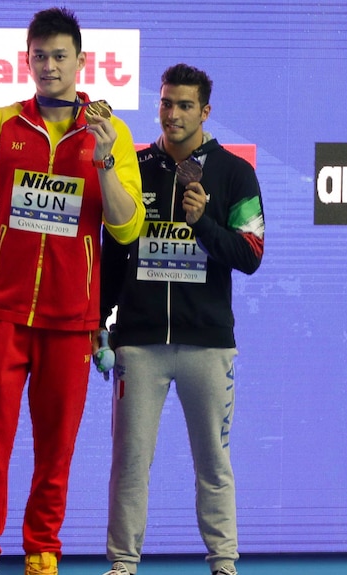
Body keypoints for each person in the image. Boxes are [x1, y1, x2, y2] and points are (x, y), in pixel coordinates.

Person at [0, 7, 145, 575]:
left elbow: (127, 227)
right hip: (1, 317)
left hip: (72, 322)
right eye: (40, 56)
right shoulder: (2, 124)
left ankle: (42, 552)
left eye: (60, 56)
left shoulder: (111, 133)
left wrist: (104, 158)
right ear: (27, 60)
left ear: (81, 61)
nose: (49, 66)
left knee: (55, 454)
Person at [98, 63, 265, 575]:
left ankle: (223, 563)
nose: (173, 114)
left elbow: (252, 253)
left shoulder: (235, 172)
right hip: (140, 344)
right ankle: (123, 565)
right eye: (167, 103)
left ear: (205, 111)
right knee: (130, 463)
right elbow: (114, 250)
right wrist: (98, 320)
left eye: (185, 105)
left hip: (209, 345)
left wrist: (204, 223)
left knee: (214, 464)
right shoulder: (136, 164)